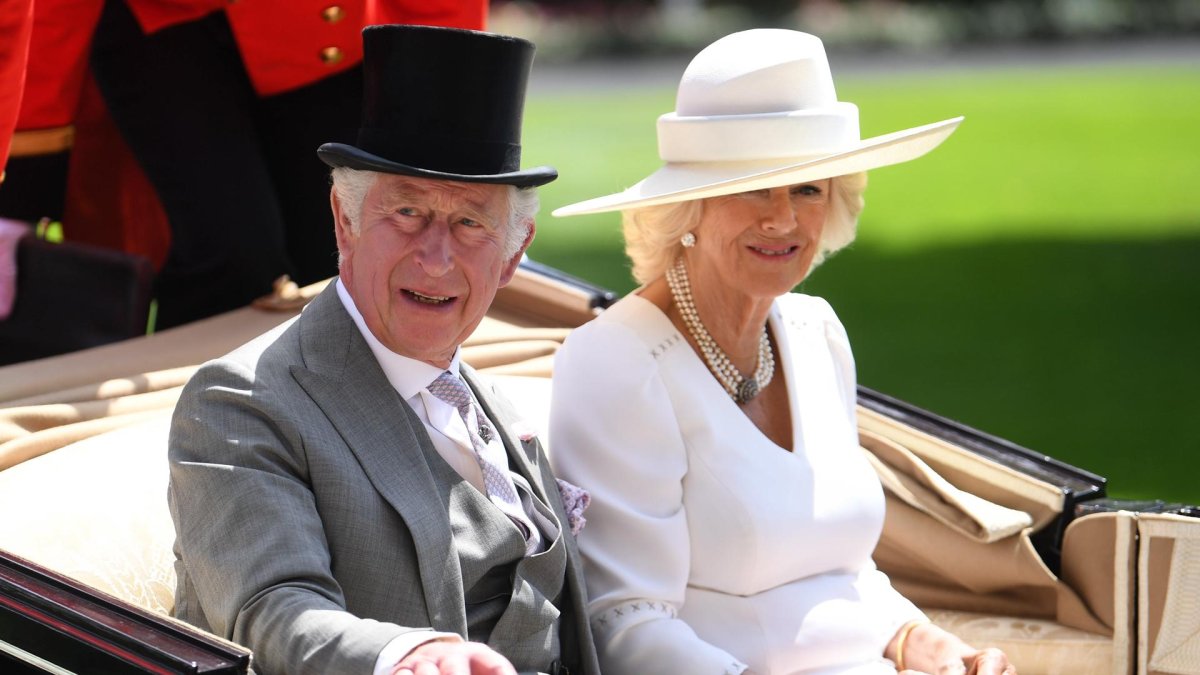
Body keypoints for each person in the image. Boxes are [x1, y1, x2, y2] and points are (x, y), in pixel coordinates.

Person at [548, 29, 1016, 675]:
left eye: (808, 189)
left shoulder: (815, 329)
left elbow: (841, 568)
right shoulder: (617, 362)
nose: (783, 220)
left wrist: (922, 642)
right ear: (689, 206)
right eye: (754, 187)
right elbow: (623, 624)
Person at [167, 25, 598, 675]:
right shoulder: (242, 400)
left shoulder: (490, 402)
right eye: (407, 214)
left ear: (513, 252)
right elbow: (269, 608)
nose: (436, 257)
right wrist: (407, 656)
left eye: (470, 222)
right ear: (345, 221)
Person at [87, 0, 487, 328]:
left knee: (341, 247)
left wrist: (446, 103)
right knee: (232, 255)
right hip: (164, 27)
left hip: (314, 30)